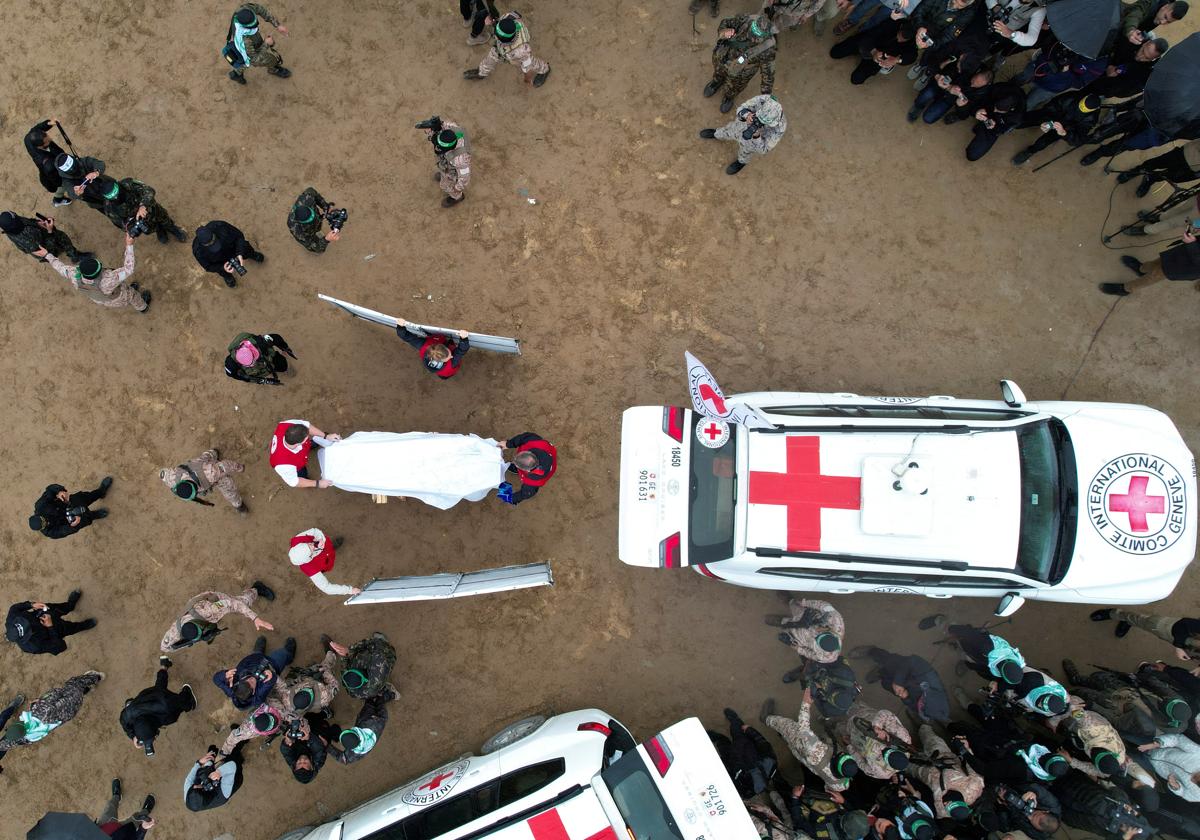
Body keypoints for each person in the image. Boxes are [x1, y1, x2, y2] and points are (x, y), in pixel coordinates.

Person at [763, 689, 859, 792]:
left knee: (788, 726)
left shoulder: (818, 752)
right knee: (793, 746)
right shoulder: (841, 785)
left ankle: (766, 718)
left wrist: (806, 703)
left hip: (806, 747)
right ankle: (784, 736)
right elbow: (829, 788)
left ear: (835, 762)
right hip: (805, 758)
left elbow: (803, 729)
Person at [0, 671, 104, 759]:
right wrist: (38, 701)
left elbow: (15, 742)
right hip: (66, 698)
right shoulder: (37, 709)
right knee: (74, 685)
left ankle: (85, 691)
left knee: (76, 697)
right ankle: (97, 677)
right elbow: (55, 693)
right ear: (21, 722)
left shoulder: (34, 736)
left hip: (68, 714)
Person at [37, 232, 150, 313]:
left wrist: (47, 255)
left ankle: (134, 297)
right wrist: (129, 245)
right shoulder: (109, 278)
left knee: (123, 288)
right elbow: (129, 268)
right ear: (100, 269)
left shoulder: (74, 275)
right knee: (132, 295)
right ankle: (142, 307)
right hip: (118, 296)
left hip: (102, 300)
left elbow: (60, 268)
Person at [1045, 696, 1149, 783]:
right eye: (1096, 753)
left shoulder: (1113, 765)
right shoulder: (1091, 726)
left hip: (1085, 737)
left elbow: (1093, 770)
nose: (1094, 753)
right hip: (1090, 723)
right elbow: (1074, 705)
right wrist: (1053, 721)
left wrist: (1071, 761)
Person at [1061, 659, 1164, 743]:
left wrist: (1094, 706)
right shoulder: (1171, 713)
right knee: (1097, 682)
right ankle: (1076, 679)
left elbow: (1116, 721)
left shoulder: (1145, 726)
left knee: (1086, 694)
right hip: (1127, 693)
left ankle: (1065, 694)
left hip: (1113, 705)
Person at [159, 582, 275, 652]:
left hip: (213, 600)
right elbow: (165, 647)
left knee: (243, 602)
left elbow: (232, 604)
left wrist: (255, 618)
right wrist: (182, 644)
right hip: (199, 611)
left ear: (200, 624)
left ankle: (256, 589)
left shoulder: (210, 611)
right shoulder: (175, 632)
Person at [119, 657, 196, 757]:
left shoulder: (166, 708)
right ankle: (164, 665)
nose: (154, 738)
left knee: (180, 706)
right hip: (142, 699)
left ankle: (187, 693)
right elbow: (123, 722)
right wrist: (133, 736)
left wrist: (186, 700)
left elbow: (175, 704)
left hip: (162, 700)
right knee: (159, 686)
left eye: (153, 737)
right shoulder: (127, 715)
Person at [918, 615, 1025, 686]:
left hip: (977, 654)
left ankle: (963, 655)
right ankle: (939, 619)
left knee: (965, 656)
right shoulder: (987, 647)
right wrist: (952, 630)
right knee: (953, 630)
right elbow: (968, 633)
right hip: (974, 643)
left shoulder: (1014, 662)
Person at [702, 14, 776, 114]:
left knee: (734, 87)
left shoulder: (767, 49)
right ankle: (716, 82)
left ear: (765, 36)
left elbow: (768, 75)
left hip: (741, 72)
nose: (751, 36)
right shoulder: (744, 20)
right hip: (724, 56)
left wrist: (765, 97)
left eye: (756, 36)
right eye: (752, 31)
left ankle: (728, 97)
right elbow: (725, 22)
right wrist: (725, 30)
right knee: (718, 72)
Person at [908, 725, 984, 820]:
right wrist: (965, 749)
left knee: (905, 764)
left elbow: (933, 811)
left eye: (946, 806)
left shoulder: (943, 811)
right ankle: (922, 724)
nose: (944, 803)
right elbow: (972, 765)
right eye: (948, 803)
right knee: (928, 735)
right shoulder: (974, 786)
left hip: (924, 773)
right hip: (942, 755)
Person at [700, 94, 787, 175]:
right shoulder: (764, 100)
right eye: (758, 119)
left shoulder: (780, 127)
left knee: (745, 153)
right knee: (726, 131)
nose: (759, 123)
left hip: (752, 143)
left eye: (764, 123)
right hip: (739, 126)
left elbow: (764, 149)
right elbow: (741, 108)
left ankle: (741, 162)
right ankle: (716, 134)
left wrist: (756, 136)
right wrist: (746, 115)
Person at [858, 647, 951, 723]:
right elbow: (912, 661)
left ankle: (881, 672)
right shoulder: (928, 676)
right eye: (922, 702)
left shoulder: (926, 710)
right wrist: (898, 681)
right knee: (889, 661)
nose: (920, 704)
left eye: (921, 706)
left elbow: (913, 706)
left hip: (905, 688)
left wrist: (905, 697)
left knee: (886, 684)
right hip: (904, 670)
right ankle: (871, 651)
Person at [1054, 770, 1153, 839]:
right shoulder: (1125, 804)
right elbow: (1114, 789)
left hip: (1070, 807)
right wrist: (1097, 780)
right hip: (1083, 788)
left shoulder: (1112, 832)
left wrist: (1124, 837)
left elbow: (1074, 818)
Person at [463, 11, 552, 87]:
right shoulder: (509, 17)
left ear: (502, 40)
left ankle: (545, 69)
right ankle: (482, 72)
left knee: (532, 63)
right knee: (492, 56)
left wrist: (527, 79)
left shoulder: (521, 51)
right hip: (500, 49)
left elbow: (527, 67)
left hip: (517, 54)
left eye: (496, 34)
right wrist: (493, 21)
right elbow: (513, 16)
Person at [1011, 93, 1102, 166]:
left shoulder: (1091, 119)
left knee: (1043, 142)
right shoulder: (1072, 96)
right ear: (1084, 97)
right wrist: (1047, 121)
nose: (1081, 108)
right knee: (1025, 119)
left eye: (1084, 109)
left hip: (1064, 128)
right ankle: (1012, 124)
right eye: (1081, 104)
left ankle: (1029, 151)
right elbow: (1052, 106)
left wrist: (1064, 133)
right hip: (1052, 116)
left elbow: (1078, 139)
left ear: (1095, 109)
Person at [270, 637, 350, 719]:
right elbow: (335, 685)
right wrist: (325, 671)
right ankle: (331, 654)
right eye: (308, 690)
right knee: (325, 666)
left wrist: (273, 676)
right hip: (318, 685)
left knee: (294, 677)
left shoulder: (287, 699)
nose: (307, 688)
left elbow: (281, 686)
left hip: (303, 680)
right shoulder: (325, 694)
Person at [93, 176, 186, 244]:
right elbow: (121, 225)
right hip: (143, 223)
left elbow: (149, 190)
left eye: (115, 192)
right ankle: (160, 231)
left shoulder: (127, 184)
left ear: (117, 185)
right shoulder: (110, 208)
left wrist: (143, 205)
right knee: (153, 228)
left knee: (165, 219)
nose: (116, 196)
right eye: (111, 196)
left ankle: (173, 229)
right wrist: (132, 226)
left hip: (153, 209)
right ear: (106, 198)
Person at [213, 635, 296, 710]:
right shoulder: (258, 698)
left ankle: (259, 651)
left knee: (257, 654)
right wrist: (271, 676)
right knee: (283, 654)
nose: (251, 679)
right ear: (253, 692)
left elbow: (216, 680)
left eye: (246, 680)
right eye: (252, 683)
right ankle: (289, 655)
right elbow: (271, 682)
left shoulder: (232, 690)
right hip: (272, 664)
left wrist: (224, 675)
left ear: (238, 684)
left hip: (253, 660)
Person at [710, 707, 779, 798]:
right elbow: (763, 743)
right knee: (737, 728)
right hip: (744, 743)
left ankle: (716, 737)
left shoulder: (746, 789)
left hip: (730, 757)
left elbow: (727, 777)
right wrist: (750, 730)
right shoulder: (769, 764)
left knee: (722, 743)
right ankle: (734, 719)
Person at [833, 701, 912, 780]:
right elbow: (885, 713)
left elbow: (861, 763)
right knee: (846, 703)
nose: (884, 750)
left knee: (840, 726)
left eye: (885, 756)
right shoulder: (903, 739)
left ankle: (834, 721)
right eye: (889, 751)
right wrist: (877, 726)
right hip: (863, 717)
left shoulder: (881, 773)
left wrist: (850, 746)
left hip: (854, 737)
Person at [158, 448, 248, 514]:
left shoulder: (211, 472)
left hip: (213, 476)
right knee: (206, 456)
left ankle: (239, 505)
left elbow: (226, 465)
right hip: (199, 464)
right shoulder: (171, 479)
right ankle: (212, 453)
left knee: (229, 491)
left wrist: (239, 467)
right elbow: (162, 473)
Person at [5, 590, 96, 655]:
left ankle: (70, 605)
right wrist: (50, 626)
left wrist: (31, 604)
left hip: (43, 612)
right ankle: (84, 625)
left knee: (60, 608)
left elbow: (14, 608)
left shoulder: (11, 619)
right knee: (73, 627)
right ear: (25, 638)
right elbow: (60, 647)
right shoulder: (33, 646)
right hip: (57, 629)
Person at [829, 20, 918, 84]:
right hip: (869, 44)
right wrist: (873, 50)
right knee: (835, 53)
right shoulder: (893, 22)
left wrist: (897, 60)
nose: (901, 39)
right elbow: (870, 35)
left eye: (905, 39)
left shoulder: (913, 42)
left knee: (856, 79)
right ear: (901, 27)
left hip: (879, 59)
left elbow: (912, 56)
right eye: (901, 35)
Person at [329, 684, 399, 765]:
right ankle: (392, 694)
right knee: (378, 702)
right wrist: (375, 714)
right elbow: (383, 718)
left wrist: (327, 746)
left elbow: (343, 759)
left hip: (369, 722)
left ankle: (375, 697)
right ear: (356, 733)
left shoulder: (353, 755)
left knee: (370, 705)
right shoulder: (373, 724)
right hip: (375, 719)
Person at [1092, 608, 1200, 659]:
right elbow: (1184, 624)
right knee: (1151, 623)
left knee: (1156, 632)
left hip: (1188, 644)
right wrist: (1178, 647)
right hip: (1178, 629)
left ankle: (1128, 621)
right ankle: (1114, 613)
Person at [28, 476, 113, 539]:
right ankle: (95, 515)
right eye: (44, 525)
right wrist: (74, 525)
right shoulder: (49, 532)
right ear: (42, 528)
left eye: (43, 520)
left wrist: (59, 491)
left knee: (88, 497)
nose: (46, 522)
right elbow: (64, 531)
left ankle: (101, 491)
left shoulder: (40, 506)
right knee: (87, 518)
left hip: (70, 502)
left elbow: (50, 489)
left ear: (38, 515)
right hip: (71, 521)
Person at [225, 4, 291, 84]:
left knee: (244, 60)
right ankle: (273, 69)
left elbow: (260, 10)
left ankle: (236, 73)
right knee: (270, 58)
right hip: (248, 48)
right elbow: (254, 59)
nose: (256, 25)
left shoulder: (244, 9)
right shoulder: (245, 41)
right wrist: (266, 44)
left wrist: (277, 25)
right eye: (253, 26)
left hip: (242, 45)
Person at [1116, 138, 1200, 199]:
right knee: (1158, 162)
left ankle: (1150, 179)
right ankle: (1137, 170)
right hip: (1187, 153)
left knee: (1171, 176)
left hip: (1195, 169)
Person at [288, 528, 362, 596]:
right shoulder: (310, 569)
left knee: (329, 547)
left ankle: (333, 546)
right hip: (324, 561)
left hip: (324, 546)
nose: (313, 545)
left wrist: (320, 540)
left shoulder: (297, 540)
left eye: (309, 544)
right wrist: (350, 590)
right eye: (311, 550)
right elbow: (326, 588)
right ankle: (332, 547)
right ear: (308, 558)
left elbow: (314, 531)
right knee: (329, 556)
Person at [269, 419, 342, 488]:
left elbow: (307, 426)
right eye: (306, 437)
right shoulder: (284, 465)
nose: (309, 435)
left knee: (309, 444)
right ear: (298, 443)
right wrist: (318, 484)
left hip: (299, 448)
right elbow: (294, 482)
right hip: (295, 464)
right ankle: (304, 476)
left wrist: (326, 436)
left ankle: (310, 446)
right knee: (301, 473)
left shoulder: (287, 424)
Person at [770, 599, 845, 664]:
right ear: (831, 632)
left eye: (816, 639)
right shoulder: (836, 620)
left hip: (799, 637)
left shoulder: (827, 657)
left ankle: (781, 621)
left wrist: (798, 649)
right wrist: (805, 603)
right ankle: (790, 601)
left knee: (786, 625)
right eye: (821, 633)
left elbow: (810, 654)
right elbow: (823, 605)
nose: (817, 633)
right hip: (805, 615)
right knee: (795, 606)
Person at [191, 221, 264, 287]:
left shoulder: (220, 226)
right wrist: (222, 267)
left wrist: (240, 253)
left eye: (214, 241)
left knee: (245, 248)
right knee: (223, 271)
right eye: (210, 245)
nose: (213, 244)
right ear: (202, 244)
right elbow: (208, 266)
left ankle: (252, 254)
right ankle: (228, 277)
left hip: (233, 249)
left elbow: (239, 237)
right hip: (221, 262)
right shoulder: (198, 251)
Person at [966, 81, 1026, 161]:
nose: (995, 110)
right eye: (996, 107)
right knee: (969, 106)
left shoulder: (1017, 117)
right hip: (986, 108)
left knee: (972, 155)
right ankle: (979, 126)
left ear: (1011, 109)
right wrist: (977, 111)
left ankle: (980, 128)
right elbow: (979, 99)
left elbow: (1003, 130)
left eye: (999, 110)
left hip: (995, 125)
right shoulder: (997, 88)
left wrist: (994, 127)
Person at [783, 656, 862, 717]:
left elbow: (821, 707)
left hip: (817, 691)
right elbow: (834, 660)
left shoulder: (833, 711)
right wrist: (813, 664)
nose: (829, 693)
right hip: (823, 669)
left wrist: (814, 694)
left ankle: (800, 675)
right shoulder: (845, 675)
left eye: (830, 697)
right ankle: (802, 670)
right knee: (808, 664)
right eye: (832, 692)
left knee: (806, 681)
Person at [422, 118, 472, 208]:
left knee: (446, 185)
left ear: (450, 148)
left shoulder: (461, 160)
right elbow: (444, 124)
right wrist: (435, 125)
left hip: (453, 171)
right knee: (444, 167)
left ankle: (457, 197)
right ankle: (443, 174)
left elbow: (464, 177)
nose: (437, 148)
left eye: (440, 147)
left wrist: (457, 188)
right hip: (449, 160)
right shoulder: (452, 128)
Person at [396, 320, 471, 379]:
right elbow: (461, 350)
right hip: (447, 372)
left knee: (441, 375)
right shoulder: (453, 362)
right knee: (445, 376)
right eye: (450, 356)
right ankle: (444, 377)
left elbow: (406, 337)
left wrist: (400, 326)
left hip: (440, 371)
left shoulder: (422, 345)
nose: (451, 356)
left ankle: (442, 377)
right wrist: (464, 339)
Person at [498, 432, 558, 504]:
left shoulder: (532, 483)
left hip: (544, 469)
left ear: (528, 470)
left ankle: (516, 469)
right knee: (522, 462)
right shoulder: (536, 443)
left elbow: (526, 494)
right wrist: (508, 444)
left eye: (517, 465)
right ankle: (516, 469)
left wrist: (511, 498)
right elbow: (525, 437)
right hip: (548, 457)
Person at [280, 712, 341, 783]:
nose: (302, 759)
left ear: (295, 767)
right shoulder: (318, 762)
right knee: (326, 733)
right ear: (312, 767)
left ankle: (320, 716)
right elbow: (319, 749)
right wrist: (309, 738)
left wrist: (287, 742)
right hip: (318, 738)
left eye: (299, 763)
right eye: (305, 763)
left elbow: (285, 752)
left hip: (301, 742)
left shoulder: (292, 764)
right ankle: (328, 719)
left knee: (306, 717)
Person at [1137, 734, 1200, 801]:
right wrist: (1158, 743)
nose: (1191, 780)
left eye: (1195, 783)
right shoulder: (1198, 753)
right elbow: (1177, 739)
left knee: (1130, 759)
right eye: (1195, 777)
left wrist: (1176, 787)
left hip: (1152, 767)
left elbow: (1184, 793)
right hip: (1155, 747)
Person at [0, 210, 81, 262]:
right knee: (62, 240)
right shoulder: (27, 240)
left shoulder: (12, 226)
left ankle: (72, 253)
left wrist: (37, 222)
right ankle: (74, 256)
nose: (16, 214)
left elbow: (26, 220)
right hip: (48, 246)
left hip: (42, 235)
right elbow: (48, 249)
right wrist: (50, 230)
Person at [24, 119, 72, 206]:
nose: (51, 139)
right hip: (55, 177)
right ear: (40, 146)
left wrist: (48, 123)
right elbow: (59, 182)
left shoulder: (28, 139)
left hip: (55, 168)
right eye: (48, 141)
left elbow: (37, 128)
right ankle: (58, 200)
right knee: (62, 187)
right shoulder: (48, 165)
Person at [184, 743, 245, 810]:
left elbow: (189, 779)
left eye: (193, 786)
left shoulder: (189, 794)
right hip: (234, 779)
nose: (195, 785)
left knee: (201, 774)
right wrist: (219, 772)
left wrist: (201, 762)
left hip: (211, 783)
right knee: (234, 758)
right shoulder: (222, 795)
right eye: (200, 786)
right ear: (206, 791)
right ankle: (240, 755)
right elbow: (232, 766)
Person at [340, 632, 397, 699]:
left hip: (372, 691)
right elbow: (376, 645)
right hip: (385, 661)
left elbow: (345, 668)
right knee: (382, 647)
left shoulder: (353, 691)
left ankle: (383, 691)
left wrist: (345, 655)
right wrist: (351, 649)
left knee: (377, 689)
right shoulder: (378, 664)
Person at [224, 332, 295, 385]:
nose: (252, 364)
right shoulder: (231, 363)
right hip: (258, 369)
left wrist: (285, 348)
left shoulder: (262, 343)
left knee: (282, 365)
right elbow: (232, 374)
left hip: (268, 357)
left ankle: (284, 368)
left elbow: (277, 338)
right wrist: (258, 380)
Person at [287, 187, 343, 253]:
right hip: (308, 233)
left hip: (314, 224)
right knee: (319, 250)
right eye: (310, 220)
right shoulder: (297, 230)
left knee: (318, 224)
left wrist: (326, 207)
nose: (314, 218)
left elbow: (312, 192)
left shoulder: (306, 198)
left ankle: (317, 230)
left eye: (312, 214)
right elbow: (315, 246)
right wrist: (326, 239)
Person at [999, 666, 1069, 716]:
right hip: (1021, 679)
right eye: (1041, 701)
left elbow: (1067, 700)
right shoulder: (1031, 681)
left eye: (1042, 707)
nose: (1039, 705)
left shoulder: (1062, 695)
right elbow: (1007, 682)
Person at [1121, 0, 1188, 42]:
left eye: (1168, 22)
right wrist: (1131, 30)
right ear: (1164, 7)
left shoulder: (1160, 15)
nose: (1163, 22)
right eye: (1165, 17)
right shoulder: (1148, 3)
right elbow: (1135, 15)